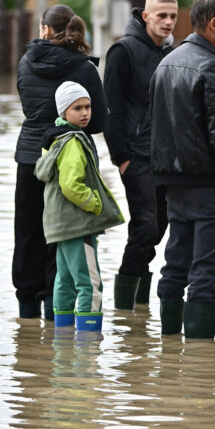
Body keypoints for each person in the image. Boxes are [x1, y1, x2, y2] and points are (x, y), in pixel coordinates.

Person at [148, 0, 215, 340]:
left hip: (173, 183)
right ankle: (199, 364)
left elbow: (154, 127)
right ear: (213, 24)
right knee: (207, 272)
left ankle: (169, 350)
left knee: (175, 265)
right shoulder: (212, 66)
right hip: (211, 184)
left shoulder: (166, 63)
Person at [13, 5, 107, 321]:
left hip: (30, 157)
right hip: (69, 159)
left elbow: (28, 108)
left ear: (44, 30)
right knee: (63, 236)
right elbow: (98, 122)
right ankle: (58, 318)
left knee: (27, 234)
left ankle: (26, 319)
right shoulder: (84, 68)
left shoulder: (26, 62)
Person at [103, 0, 178, 311]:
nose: (168, 22)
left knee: (160, 226)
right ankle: (124, 306)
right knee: (145, 225)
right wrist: (121, 157)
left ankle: (137, 304)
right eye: (162, 15)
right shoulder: (123, 51)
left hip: (167, 157)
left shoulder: (173, 52)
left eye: (173, 16)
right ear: (145, 16)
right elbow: (110, 107)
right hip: (135, 155)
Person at [35, 82, 125, 331]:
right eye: (77, 108)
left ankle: (62, 340)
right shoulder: (73, 142)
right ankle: (88, 345)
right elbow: (71, 185)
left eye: (88, 107)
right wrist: (95, 205)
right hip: (78, 223)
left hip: (60, 224)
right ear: (63, 112)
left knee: (64, 280)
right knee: (90, 283)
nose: (85, 113)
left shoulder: (55, 139)